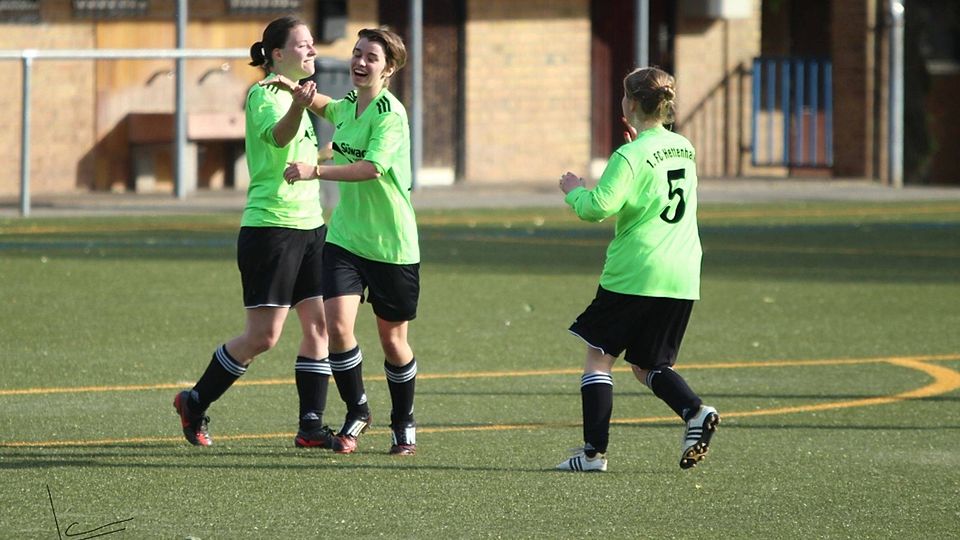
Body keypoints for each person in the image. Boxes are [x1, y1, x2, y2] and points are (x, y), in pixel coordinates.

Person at [173, 16, 337, 449]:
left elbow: (301, 147)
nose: (311, 51)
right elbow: (278, 139)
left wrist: (328, 151)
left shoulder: (302, 95)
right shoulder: (264, 94)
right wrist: (299, 106)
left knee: (319, 328)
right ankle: (195, 400)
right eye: (302, 45)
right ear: (277, 54)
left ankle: (310, 427)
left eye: (312, 44)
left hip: (311, 227)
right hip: (271, 229)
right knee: (263, 337)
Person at [554, 66, 719, 472]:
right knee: (648, 365)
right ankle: (694, 412)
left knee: (599, 356)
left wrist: (574, 190)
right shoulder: (683, 147)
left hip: (637, 270)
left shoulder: (629, 155)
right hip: (681, 272)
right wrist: (636, 151)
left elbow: (598, 207)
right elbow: (656, 180)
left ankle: (593, 454)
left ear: (629, 104)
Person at [277, 27, 420, 456]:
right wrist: (295, 89)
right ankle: (358, 409)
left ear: (389, 68)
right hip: (344, 240)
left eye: (370, 57)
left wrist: (315, 171)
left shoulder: (389, 114)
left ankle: (403, 423)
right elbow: (329, 108)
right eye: (357, 54)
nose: (359, 62)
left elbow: (373, 168)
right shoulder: (350, 106)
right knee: (337, 326)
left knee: (393, 342)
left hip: (392, 244)